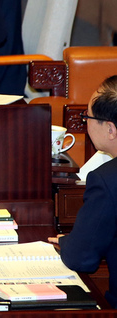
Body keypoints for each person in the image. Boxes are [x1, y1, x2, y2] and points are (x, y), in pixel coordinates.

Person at [52, 75, 117, 307]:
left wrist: (66, 242)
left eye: (87, 117)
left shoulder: (107, 179)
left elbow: (82, 258)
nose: (85, 123)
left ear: (110, 129)